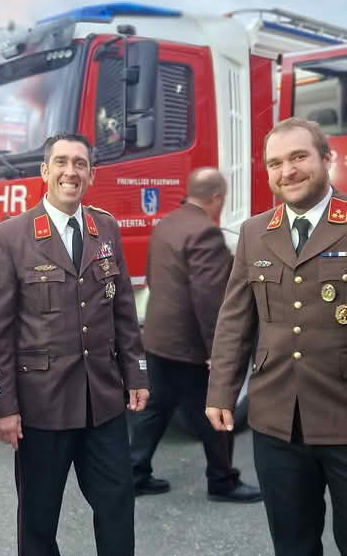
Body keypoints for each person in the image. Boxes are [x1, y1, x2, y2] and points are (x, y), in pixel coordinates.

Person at [206, 117, 347, 556]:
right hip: (277, 422)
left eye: (299, 157)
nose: (288, 171)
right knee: (292, 545)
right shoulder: (255, 231)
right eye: (275, 163)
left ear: (326, 159)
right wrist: (221, 390)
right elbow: (235, 320)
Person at [0, 132, 148, 556]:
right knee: (38, 519)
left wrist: (136, 374)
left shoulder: (105, 227)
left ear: (91, 175)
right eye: (61, 162)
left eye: (80, 164)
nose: (70, 172)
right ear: (44, 171)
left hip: (103, 402)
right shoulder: (12, 235)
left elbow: (122, 309)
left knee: (117, 506)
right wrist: (3, 406)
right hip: (42, 405)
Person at [130, 167, 262, 503]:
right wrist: (218, 351)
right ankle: (223, 481)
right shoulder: (205, 233)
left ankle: (134, 473)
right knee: (216, 409)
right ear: (217, 197)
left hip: (158, 338)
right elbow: (210, 299)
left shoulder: (166, 224)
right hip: (188, 345)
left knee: (156, 408)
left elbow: (153, 276)